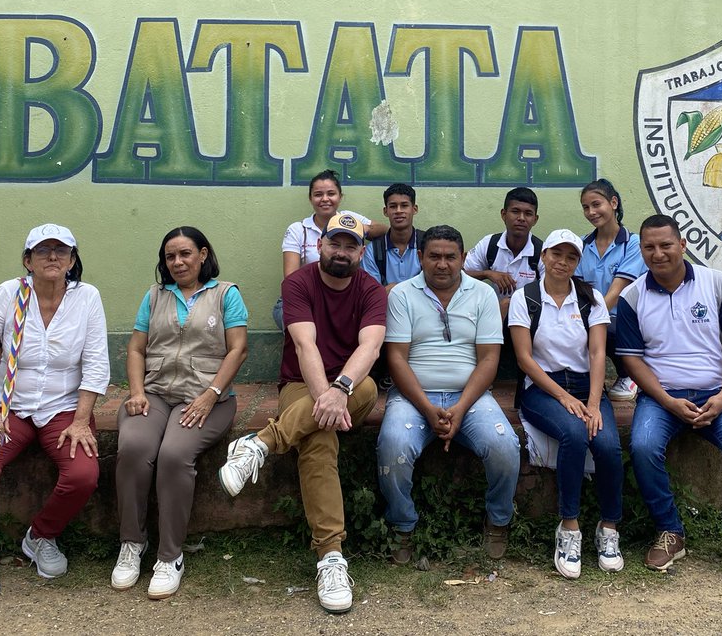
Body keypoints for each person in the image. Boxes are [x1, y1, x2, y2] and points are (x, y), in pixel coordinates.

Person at [219, 212, 385, 613]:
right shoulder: (298, 283)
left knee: (366, 385)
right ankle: (330, 556)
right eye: (335, 243)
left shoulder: (372, 290)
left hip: (353, 386)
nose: (341, 252)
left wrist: (339, 389)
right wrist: (324, 398)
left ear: (361, 252)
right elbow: (305, 345)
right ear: (319, 246)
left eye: (350, 246)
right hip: (302, 384)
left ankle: (260, 444)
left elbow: (370, 348)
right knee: (319, 439)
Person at [0, 224, 109, 617]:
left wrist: (82, 419)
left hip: (63, 410)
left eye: (61, 251)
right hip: (10, 410)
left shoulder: (87, 297)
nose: (52, 257)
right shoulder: (8, 294)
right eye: (43, 251)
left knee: (84, 473)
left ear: (72, 260)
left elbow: (96, 364)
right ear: (27, 260)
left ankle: (41, 536)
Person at [615, 214, 722, 581]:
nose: (658, 254)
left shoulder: (717, 284)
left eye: (666, 245)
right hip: (661, 398)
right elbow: (631, 359)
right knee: (642, 446)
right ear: (641, 250)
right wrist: (667, 400)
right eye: (649, 247)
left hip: (714, 396)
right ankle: (670, 531)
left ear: (682, 245)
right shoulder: (632, 296)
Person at [112, 226, 248, 599]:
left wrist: (210, 394)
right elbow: (137, 349)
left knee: (173, 454)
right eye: (170, 256)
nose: (177, 262)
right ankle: (131, 544)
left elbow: (238, 349)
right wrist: (137, 391)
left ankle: (169, 556)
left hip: (208, 400)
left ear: (203, 254)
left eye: (185, 254)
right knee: (135, 448)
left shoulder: (225, 294)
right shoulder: (155, 295)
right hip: (155, 393)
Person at [376, 225, 520, 564]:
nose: (443, 264)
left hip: (469, 397)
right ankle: (403, 526)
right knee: (393, 445)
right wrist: (428, 409)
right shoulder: (402, 295)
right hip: (413, 398)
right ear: (421, 258)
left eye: (450, 257)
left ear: (463, 258)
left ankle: (498, 521)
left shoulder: (483, 295)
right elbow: (396, 357)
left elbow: (489, 359)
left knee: (505, 446)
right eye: (435, 257)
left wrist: (460, 407)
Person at [509, 229, 624, 579]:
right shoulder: (525, 297)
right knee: (574, 434)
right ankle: (569, 526)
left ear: (578, 262)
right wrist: (564, 397)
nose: (562, 262)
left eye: (570, 257)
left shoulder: (590, 298)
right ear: (544, 257)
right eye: (556, 254)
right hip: (543, 388)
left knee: (606, 443)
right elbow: (525, 359)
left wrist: (592, 400)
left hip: (587, 385)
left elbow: (597, 351)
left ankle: (609, 528)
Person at [272, 169, 386, 330]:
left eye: (331, 194)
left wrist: (358, 229)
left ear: (340, 196)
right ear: (310, 198)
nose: (325, 199)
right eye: (318, 194)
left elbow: (382, 229)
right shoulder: (298, 229)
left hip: (342, 298)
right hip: (303, 298)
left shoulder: (349, 219)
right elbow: (290, 278)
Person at [576, 178, 647, 402]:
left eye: (596, 204)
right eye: (586, 207)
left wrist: (592, 320)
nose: (591, 212)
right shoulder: (581, 244)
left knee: (610, 326)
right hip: (592, 315)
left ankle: (630, 375)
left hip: (623, 318)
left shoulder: (633, 243)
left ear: (613, 202)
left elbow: (617, 291)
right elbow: (578, 290)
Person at [463, 186, 542, 321]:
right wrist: (487, 273)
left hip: (530, 319)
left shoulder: (542, 251)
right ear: (503, 214)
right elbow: (459, 275)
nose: (521, 218)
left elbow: (552, 292)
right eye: (515, 211)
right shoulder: (489, 244)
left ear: (535, 219)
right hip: (490, 317)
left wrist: (514, 303)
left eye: (528, 213)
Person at [361, 183, 421, 291]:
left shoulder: (427, 244)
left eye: (404, 205)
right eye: (393, 206)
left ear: (414, 209)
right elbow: (370, 294)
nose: (398, 211)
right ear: (385, 211)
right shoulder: (373, 251)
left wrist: (392, 289)